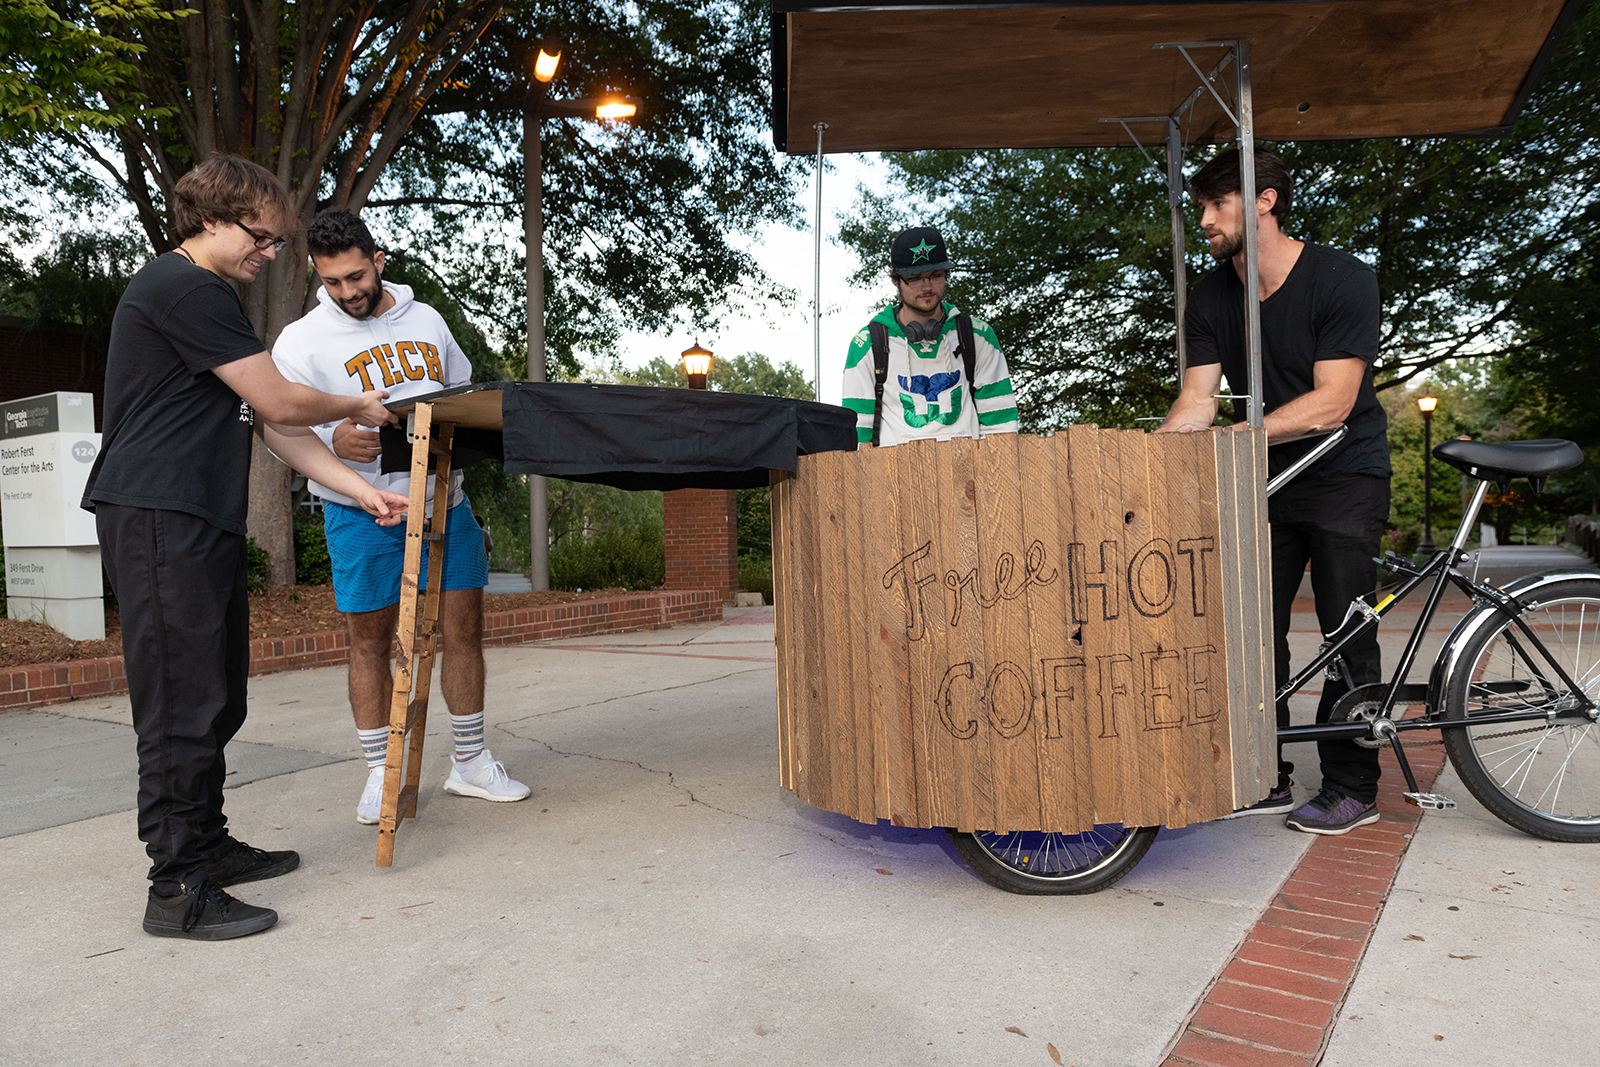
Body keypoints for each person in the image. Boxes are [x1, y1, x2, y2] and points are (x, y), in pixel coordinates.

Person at [83, 155, 411, 941]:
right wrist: (356, 400)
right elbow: (279, 396)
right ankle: (177, 886)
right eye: (263, 238)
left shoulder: (206, 299)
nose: (270, 253)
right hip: (160, 509)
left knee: (217, 690)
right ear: (211, 219)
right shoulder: (183, 285)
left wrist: (359, 488)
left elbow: (272, 427)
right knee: (179, 700)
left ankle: (207, 844)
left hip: (199, 515)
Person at [1155, 149, 1390, 836]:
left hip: (1344, 470)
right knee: (1254, 631)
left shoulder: (1341, 278)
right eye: (1199, 206)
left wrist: (1243, 430)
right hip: (1268, 475)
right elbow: (1197, 399)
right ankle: (1268, 773)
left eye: (1217, 204)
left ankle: (1353, 782)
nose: (1203, 219)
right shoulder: (1212, 294)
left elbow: (1333, 403)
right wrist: (1146, 458)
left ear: (1265, 200)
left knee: (1346, 626)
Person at [272, 208, 530, 829]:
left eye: (356, 276)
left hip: (447, 503)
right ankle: (378, 772)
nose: (348, 292)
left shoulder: (428, 319)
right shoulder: (301, 341)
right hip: (361, 513)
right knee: (370, 640)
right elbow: (280, 424)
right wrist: (337, 437)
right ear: (317, 274)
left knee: (463, 630)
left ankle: (469, 761)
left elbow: (468, 399)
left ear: (378, 259)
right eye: (332, 282)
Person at [842, 226, 1019, 446]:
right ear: (895, 278)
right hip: (893, 477)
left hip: (969, 476)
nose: (927, 287)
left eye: (935, 275)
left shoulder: (977, 337)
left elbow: (1001, 427)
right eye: (915, 278)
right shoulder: (868, 343)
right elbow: (857, 437)